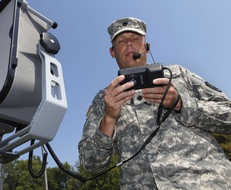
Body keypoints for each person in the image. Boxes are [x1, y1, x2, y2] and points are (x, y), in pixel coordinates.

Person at [78, 17, 231, 189]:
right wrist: (109, 119)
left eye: (135, 38)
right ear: (112, 52)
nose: (129, 44)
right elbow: (89, 165)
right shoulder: (104, 99)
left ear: (147, 46)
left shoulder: (178, 74)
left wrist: (181, 104)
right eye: (121, 40)